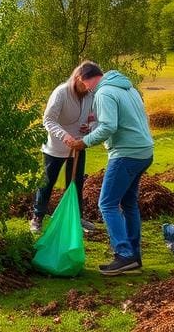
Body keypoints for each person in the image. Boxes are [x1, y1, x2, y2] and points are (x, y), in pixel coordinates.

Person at [65, 63, 155, 276]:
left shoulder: (104, 92)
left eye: (82, 84)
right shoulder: (127, 88)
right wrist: (91, 131)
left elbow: (108, 127)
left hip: (126, 153)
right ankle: (134, 256)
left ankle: (123, 255)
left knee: (107, 204)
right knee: (129, 203)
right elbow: (118, 122)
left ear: (84, 78)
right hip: (144, 151)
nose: (86, 89)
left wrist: (84, 142)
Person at [30, 61, 99, 234]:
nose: (88, 89)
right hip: (55, 148)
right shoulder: (61, 93)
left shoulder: (90, 94)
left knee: (75, 184)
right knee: (47, 183)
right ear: (77, 78)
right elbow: (48, 120)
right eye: (85, 84)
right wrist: (65, 136)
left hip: (78, 146)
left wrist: (89, 128)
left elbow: (94, 117)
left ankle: (75, 218)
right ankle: (37, 217)